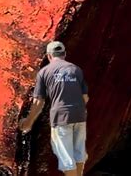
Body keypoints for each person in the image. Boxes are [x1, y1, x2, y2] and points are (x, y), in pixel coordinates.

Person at [19, 41, 89, 176]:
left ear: (49, 56)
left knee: (66, 158)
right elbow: (85, 97)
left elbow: (39, 102)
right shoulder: (76, 70)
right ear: (64, 54)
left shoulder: (45, 72)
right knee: (79, 153)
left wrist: (28, 122)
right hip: (80, 115)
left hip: (61, 117)